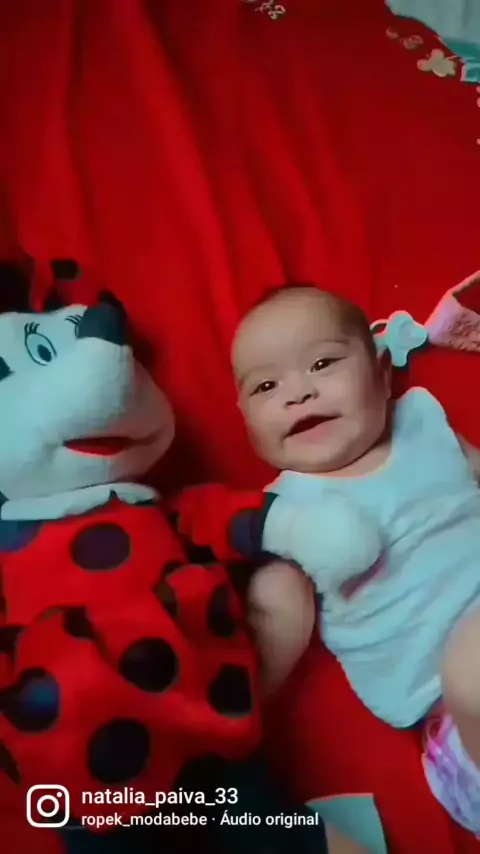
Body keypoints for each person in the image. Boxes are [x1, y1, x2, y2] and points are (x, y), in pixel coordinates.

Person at [232, 284, 480, 835]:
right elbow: (276, 617)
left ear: (382, 374)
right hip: (459, 721)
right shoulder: (286, 513)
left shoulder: (423, 426)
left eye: (323, 363)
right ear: (246, 424)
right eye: (266, 386)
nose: (299, 393)